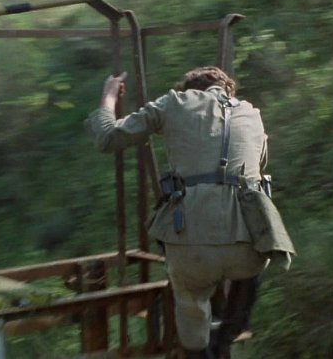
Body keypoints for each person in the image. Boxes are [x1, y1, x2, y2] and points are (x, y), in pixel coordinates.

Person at [87, 66, 275, 359]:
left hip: (192, 248)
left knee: (191, 305)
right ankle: (228, 333)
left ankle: (200, 348)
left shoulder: (174, 102)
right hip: (248, 248)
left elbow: (108, 137)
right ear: (229, 90)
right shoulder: (251, 113)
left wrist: (109, 96)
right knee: (251, 267)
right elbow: (258, 166)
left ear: (190, 91)